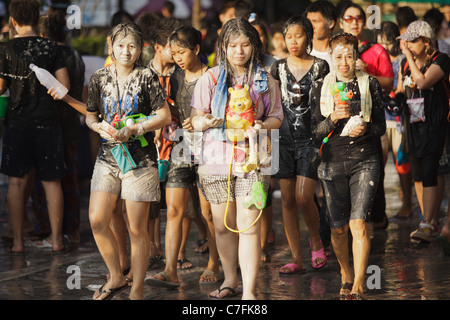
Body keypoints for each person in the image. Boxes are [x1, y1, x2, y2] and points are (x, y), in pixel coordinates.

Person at [51, 22, 171, 300]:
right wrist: (97, 127)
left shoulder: (146, 77)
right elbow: (91, 115)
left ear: (140, 48)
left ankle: (137, 289)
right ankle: (116, 275)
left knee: (137, 229)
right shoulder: (99, 77)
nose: (126, 51)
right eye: (120, 45)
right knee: (96, 219)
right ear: (111, 47)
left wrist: (135, 129)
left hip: (140, 160)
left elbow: (164, 116)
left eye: (132, 46)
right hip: (108, 156)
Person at [191, 17, 283, 300]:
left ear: (253, 47)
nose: (239, 51)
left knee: (249, 225)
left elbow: (276, 117)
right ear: (223, 47)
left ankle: (250, 292)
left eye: (245, 45)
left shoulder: (265, 80)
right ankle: (230, 279)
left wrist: (262, 125)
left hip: (253, 160)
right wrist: (205, 121)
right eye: (233, 45)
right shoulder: (210, 79)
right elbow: (194, 119)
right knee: (221, 224)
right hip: (215, 159)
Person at [145, 25, 221, 287]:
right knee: (174, 209)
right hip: (180, 146)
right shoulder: (174, 78)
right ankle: (170, 269)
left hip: (209, 149)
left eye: (182, 52)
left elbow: (222, 112)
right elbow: (171, 111)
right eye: (174, 53)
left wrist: (203, 120)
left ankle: (214, 262)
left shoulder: (213, 77)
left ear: (197, 50)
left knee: (208, 212)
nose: (177, 58)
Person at [313, 32, 386, 300]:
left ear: (356, 57)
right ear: (331, 57)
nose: (344, 62)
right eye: (339, 56)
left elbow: (381, 127)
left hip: (365, 159)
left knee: (359, 224)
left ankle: (359, 282)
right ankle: (345, 272)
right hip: (332, 161)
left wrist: (366, 128)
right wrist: (332, 118)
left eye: (349, 55)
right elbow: (314, 132)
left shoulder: (370, 84)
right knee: (338, 227)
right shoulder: (321, 86)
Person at [0, 0, 70, 254]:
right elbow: (63, 87)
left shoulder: (6, 49)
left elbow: (0, 88)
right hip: (48, 123)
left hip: (17, 123)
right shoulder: (51, 46)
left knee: (16, 184)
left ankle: (18, 243)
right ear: (37, 17)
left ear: (13, 20)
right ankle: (57, 241)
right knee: (52, 182)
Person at [270, 15, 329, 274]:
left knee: (304, 197)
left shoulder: (321, 66)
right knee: (287, 201)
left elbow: (326, 103)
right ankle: (296, 258)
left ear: (308, 36)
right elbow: (272, 106)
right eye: (289, 36)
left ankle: (315, 239)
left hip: (311, 140)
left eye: (299, 35)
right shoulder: (277, 68)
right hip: (282, 140)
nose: (293, 41)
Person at [30, 12, 86, 246]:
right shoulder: (75, 55)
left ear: (43, 35)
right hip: (72, 124)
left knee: (46, 181)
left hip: (50, 125)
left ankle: (47, 229)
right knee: (69, 178)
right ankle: (72, 229)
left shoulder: (47, 56)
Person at [339, 2, 394, 229]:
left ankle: (377, 219)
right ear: (341, 22)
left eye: (359, 18)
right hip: (341, 122)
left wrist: (367, 73)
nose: (354, 22)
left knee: (375, 171)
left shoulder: (376, 50)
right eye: (349, 18)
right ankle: (350, 222)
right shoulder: (337, 51)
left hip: (372, 121)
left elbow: (389, 83)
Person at [397, 21, 450, 243]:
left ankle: (429, 221)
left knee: (430, 172)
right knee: (417, 174)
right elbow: (402, 89)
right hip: (413, 125)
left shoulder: (441, 60)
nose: (407, 45)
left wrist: (409, 58)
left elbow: (424, 82)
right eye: (405, 41)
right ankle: (425, 220)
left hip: (435, 125)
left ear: (426, 42)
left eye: (412, 41)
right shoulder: (404, 64)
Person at [376, 21, 412, 219]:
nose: (385, 48)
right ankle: (379, 209)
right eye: (381, 43)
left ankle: (407, 203)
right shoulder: (375, 59)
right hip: (380, 118)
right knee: (378, 165)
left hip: (398, 118)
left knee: (402, 163)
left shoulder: (403, 60)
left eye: (388, 43)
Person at [304, 0, 337, 69]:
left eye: (315, 21)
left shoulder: (341, 54)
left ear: (331, 24)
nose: (311, 26)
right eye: (308, 21)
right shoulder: (302, 52)